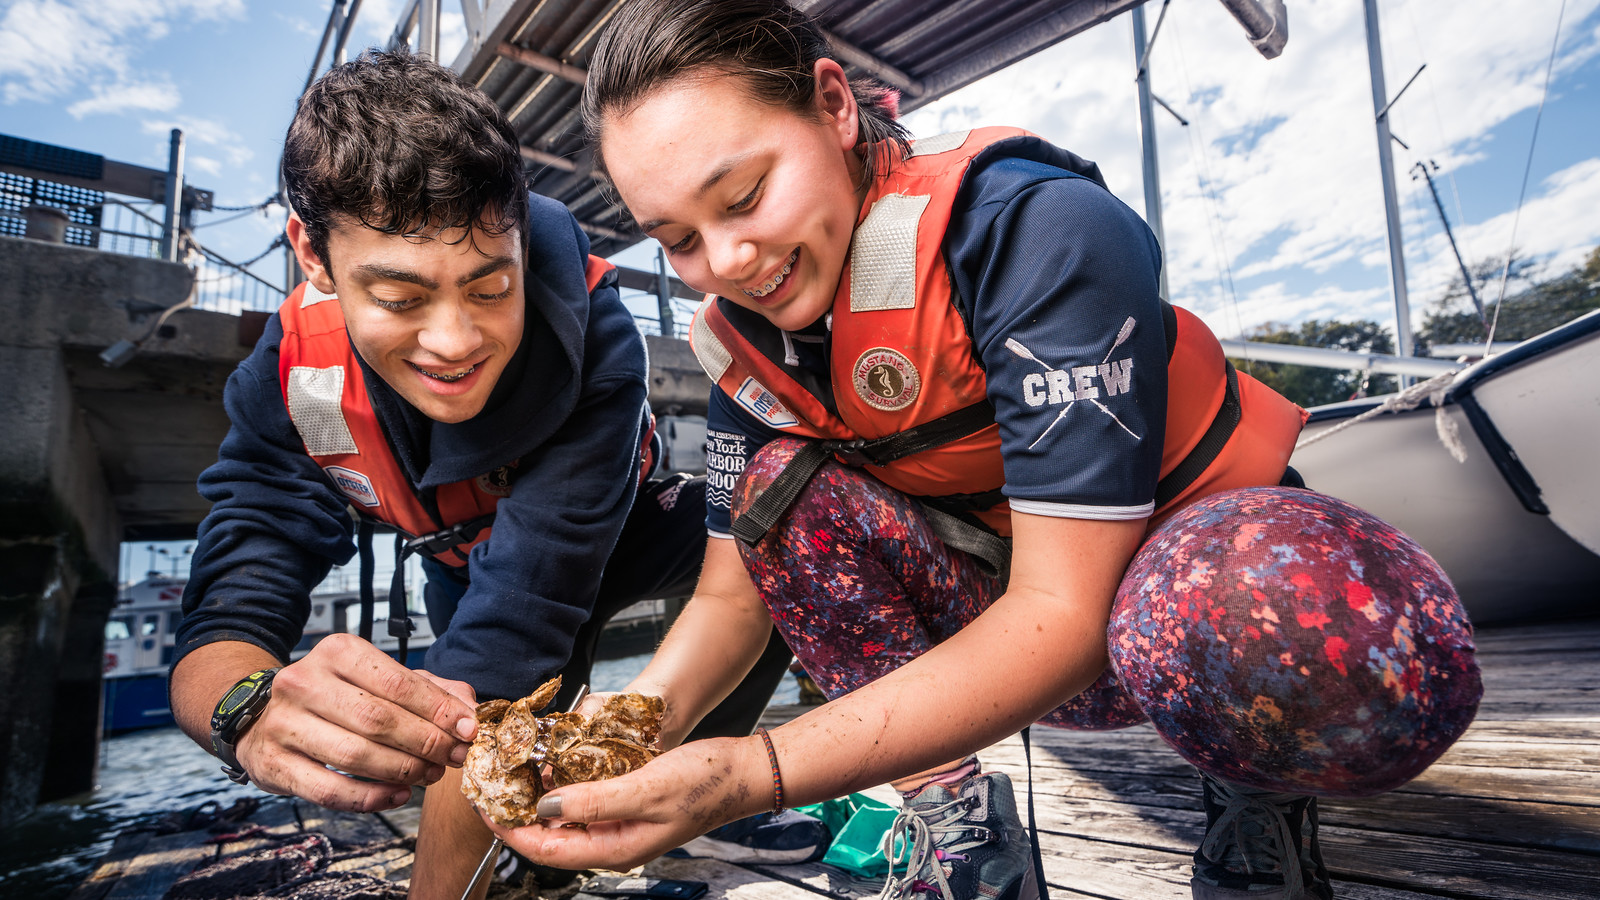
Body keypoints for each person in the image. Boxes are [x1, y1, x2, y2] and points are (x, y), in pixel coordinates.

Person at [484, 3, 1484, 900]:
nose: (729, 264)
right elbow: (726, 598)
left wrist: (753, 772)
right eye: (681, 239)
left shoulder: (1033, 230)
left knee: (1330, 641)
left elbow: (1068, 607)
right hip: (1011, 641)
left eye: (742, 197)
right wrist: (618, 734)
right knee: (774, 493)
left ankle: (1255, 789)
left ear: (833, 104)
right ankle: (956, 827)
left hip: (1194, 618)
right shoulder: (745, 350)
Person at [168, 50, 793, 900]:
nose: (455, 342)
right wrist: (243, 709)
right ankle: (533, 854)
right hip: (458, 568)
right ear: (312, 255)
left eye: (491, 285)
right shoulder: (292, 380)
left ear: (521, 245)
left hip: (622, 535)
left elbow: (513, 631)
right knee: (480, 759)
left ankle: (692, 794)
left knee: (780, 541)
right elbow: (234, 594)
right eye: (398, 298)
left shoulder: (596, 345)